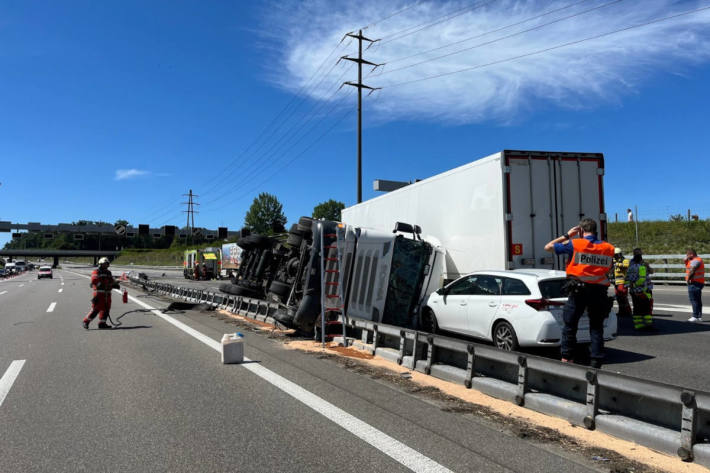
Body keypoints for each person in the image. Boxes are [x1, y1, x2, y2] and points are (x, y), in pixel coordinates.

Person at [544, 217, 614, 368]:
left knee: (570, 325)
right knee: (596, 327)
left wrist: (567, 235)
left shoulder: (575, 243)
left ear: (581, 231)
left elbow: (548, 247)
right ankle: (596, 362)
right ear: (596, 230)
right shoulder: (609, 248)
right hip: (599, 291)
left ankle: (567, 358)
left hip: (578, 290)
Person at [83, 257, 119, 330]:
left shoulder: (108, 272)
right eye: (104, 264)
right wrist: (102, 285)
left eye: (107, 264)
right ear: (100, 264)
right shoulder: (96, 272)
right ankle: (86, 321)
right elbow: (94, 280)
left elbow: (111, 280)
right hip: (99, 294)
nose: (106, 265)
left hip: (107, 294)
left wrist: (115, 284)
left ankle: (102, 323)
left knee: (106, 309)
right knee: (96, 309)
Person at [625, 248, 653, 330]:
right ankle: (648, 325)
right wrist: (636, 285)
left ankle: (638, 325)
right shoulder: (642, 266)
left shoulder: (630, 267)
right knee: (646, 309)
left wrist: (631, 286)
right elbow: (642, 279)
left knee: (637, 309)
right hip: (642, 290)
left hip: (634, 291)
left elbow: (626, 279)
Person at [685, 248, 705, 322]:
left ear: (691, 254)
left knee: (694, 300)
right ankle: (699, 316)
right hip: (699, 282)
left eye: (687, 254)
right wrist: (686, 259)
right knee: (698, 300)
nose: (686, 256)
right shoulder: (698, 259)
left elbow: (692, 270)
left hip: (694, 283)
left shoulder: (695, 261)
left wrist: (688, 279)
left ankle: (695, 316)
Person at [612, 248, 632, 316]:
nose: (615, 256)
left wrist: (618, 264)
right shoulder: (614, 260)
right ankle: (621, 311)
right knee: (618, 298)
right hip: (616, 282)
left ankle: (628, 311)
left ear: (619, 254)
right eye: (614, 255)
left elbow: (626, 265)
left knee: (623, 297)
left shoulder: (625, 260)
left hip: (622, 282)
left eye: (616, 255)